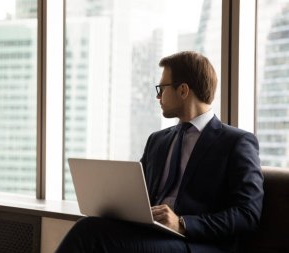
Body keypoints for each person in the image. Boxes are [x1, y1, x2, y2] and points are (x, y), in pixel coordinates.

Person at [55, 51, 264, 253]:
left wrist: (182, 223)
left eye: (161, 88)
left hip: (197, 243)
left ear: (183, 90)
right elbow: (138, 195)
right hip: (154, 233)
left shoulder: (236, 142)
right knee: (90, 226)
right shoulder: (157, 140)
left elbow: (247, 214)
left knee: (89, 236)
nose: (158, 96)